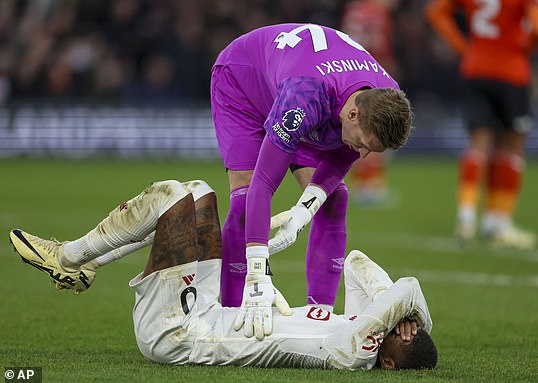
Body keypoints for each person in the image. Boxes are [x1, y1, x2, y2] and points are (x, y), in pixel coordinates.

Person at [9, 179, 437, 370]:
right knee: (199, 194)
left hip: (177, 334)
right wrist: (407, 319)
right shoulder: (368, 327)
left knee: (172, 199)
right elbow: (360, 264)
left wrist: (412, 313)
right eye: (410, 328)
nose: (403, 328)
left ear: (388, 364)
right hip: (209, 309)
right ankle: (87, 266)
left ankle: (69, 257)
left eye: (405, 338)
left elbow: (407, 290)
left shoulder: (355, 353)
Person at [210, 23, 414, 335]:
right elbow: (265, 184)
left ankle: (319, 318)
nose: (360, 154)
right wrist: (258, 272)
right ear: (353, 115)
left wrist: (304, 211)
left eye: (370, 150)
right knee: (244, 198)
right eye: (362, 143)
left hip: (310, 95)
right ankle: (233, 313)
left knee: (333, 200)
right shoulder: (305, 96)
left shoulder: (384, 97)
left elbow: (343, 155)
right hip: (243, 83)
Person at [425, 0, 538, 249]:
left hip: (477, 68)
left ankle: (467, 215)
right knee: (512, 149)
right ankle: (498, 223)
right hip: (511, 71)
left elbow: (435, 12)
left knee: (477, 145)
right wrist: (525, 45)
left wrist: (462, 46)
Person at [341, 0, 401, 206]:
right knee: (378, 126)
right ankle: (371, 185)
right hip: (372, 71)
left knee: (357, 126)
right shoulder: (377, 13)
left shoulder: (354, 9)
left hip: (348, 70)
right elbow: (381, 47)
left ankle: (359, 183)